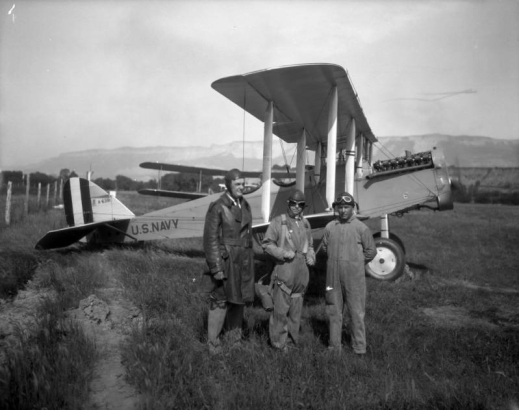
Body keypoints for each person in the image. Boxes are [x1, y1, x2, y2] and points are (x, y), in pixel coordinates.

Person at [203, 168, 255, 354]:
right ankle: (213, 346)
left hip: (243, 261)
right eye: (237, 184)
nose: (242, 187)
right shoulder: (217, 207)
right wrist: (216, 267)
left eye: (243, 184)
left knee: (238, 301)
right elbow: (210, 240)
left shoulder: (245, 205)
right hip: (226, 261)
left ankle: (234, 343)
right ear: (228, 185)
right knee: (220, 301)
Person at [321, 191, 377, 355]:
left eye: (347, 207)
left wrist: (356, 263)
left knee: (356, 312)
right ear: (336, 208)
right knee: (333, 310)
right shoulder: (330, 227)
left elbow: (371, 251)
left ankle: (359, 347)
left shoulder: (361, 228)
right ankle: (334, 346)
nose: (343, 210)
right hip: (332, 278)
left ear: (353, 208)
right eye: (340, 207)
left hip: (354, 278)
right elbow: (325, 247)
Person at [262, 189, 315, 352]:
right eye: (293, 204)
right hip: (284, 272)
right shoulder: (278, 222)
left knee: (296, 312)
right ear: (288, 204)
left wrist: (312, 255)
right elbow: (267, 244)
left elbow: (310, 245)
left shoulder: (306, 224)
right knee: (280, 311)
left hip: (301, 274)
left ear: (303, 207)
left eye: (300, 205)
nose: (296, 207)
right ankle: (278, 344)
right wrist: (283, 253)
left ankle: (292, 343)